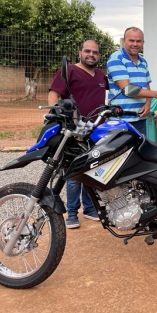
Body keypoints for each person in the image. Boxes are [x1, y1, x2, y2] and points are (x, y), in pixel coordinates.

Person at [48, 39, 106, 229]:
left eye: (95, 52)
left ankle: (89, 209)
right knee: (73, 174)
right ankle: (72, 213)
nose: (91, 55)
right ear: (80, 52)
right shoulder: (69, 71)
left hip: (95, 130)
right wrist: (57, 115)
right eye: (87, 51)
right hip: (73, 130)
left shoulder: (100, 76)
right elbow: (54, 94)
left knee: (91, 170)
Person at [106, 27, 157, 135]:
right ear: (124, 41)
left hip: (139, 118)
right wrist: (156, 94)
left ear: (143, 42)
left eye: (138, 41)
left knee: (139, 151)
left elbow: (147, 86)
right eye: (131, 40)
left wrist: (147, 104)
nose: (135, 44)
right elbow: (127, 89)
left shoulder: (143, 62)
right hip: (120, 120)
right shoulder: (116, 58)